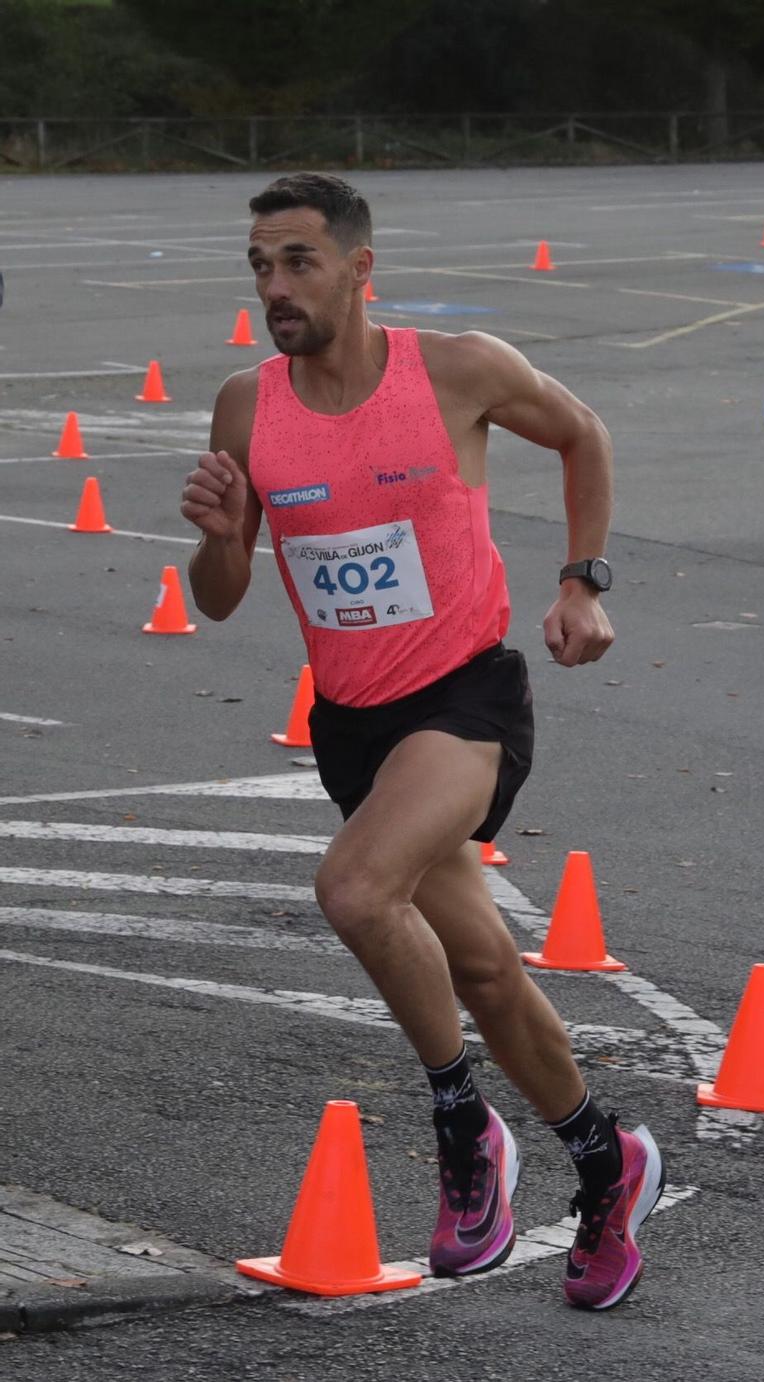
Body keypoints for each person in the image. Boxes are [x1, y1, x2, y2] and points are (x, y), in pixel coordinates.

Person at [180, 172, 660, 1310]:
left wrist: (583, 583)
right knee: (487, 969)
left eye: (297, 260)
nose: (274, 286)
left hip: (464, 700)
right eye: (258, 264)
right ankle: (607, 1162)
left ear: (358, 268)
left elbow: (580, 433)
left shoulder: (453, 369)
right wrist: (215, 535)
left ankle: (463, 1124)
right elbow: (220, 593)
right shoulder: (247, 405)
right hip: (354, 729)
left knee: (352, 888)